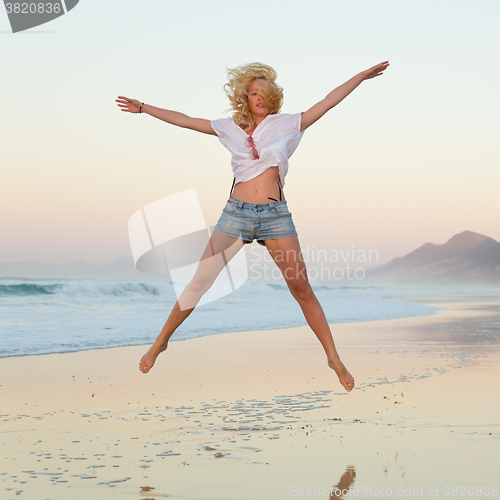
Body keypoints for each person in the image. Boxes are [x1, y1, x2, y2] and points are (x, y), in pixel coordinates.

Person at [116, 60, 389, 391]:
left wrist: (360, 77)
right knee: (199, 282)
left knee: (301, 288)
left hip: (275, 217)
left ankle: (333, 357)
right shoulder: (229, 128)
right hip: (237, 213)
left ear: (272, 97)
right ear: (244, 97)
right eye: (252, 93)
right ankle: (160, 342)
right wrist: (144, 108)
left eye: (263, 93)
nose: (258, 97)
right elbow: (186, 121)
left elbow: (328, 102)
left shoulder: (287, 124)